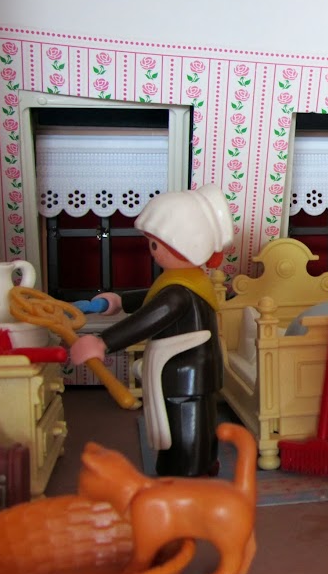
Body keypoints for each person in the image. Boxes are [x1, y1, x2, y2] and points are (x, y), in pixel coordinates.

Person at [70, 184, 234, 477]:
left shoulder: (180, 292)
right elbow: (154, 296)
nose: (152, 252)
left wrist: (103, 343)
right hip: (191, 370)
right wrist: (120, 301)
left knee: (183, 430)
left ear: (184, 246)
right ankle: (204, 464)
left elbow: (149, 318)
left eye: (156, 245)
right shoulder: (186, 279)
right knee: (195, 423)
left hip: (184, 373)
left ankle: (186, 476)